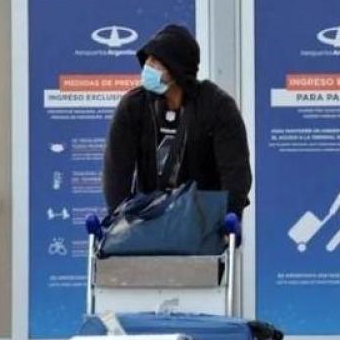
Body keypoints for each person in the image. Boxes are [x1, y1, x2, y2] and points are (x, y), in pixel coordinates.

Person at [103, 24, 252, 216]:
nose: (148, 66)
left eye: (156, 62)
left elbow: (235, 173)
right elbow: (116, 172)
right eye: (148, 59)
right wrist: (119, 217)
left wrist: (229, 217)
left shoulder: (217, 106)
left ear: (177, 69)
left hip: (201, 219)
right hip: (148, 218)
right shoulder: (134, 105)